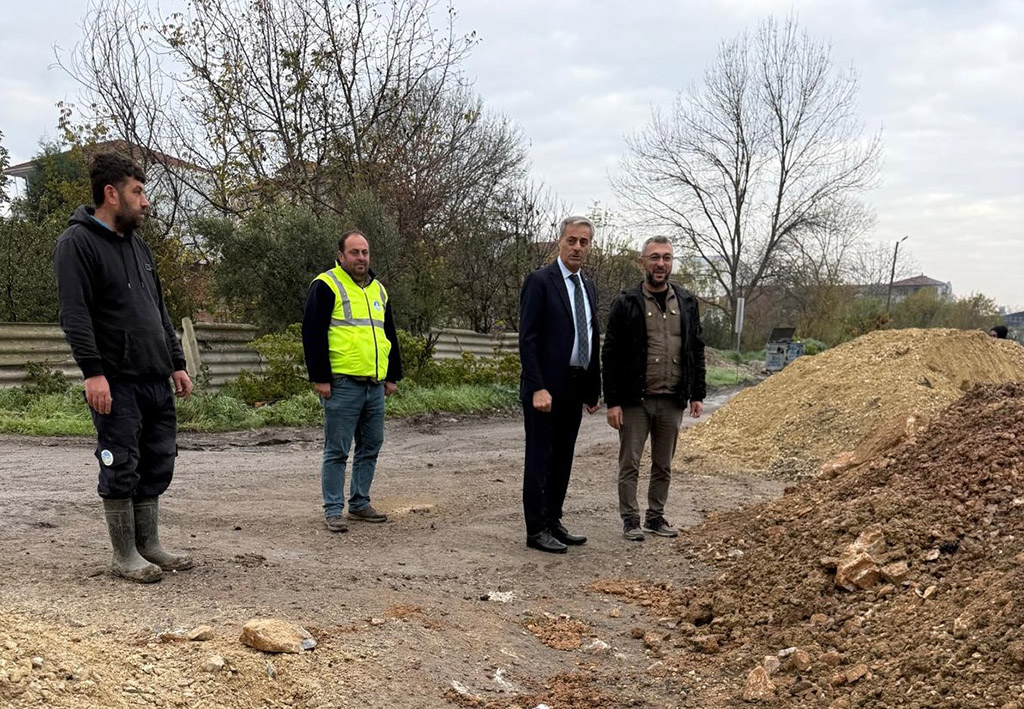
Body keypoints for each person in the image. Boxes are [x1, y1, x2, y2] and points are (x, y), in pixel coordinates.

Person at [53, 152, 194, 583]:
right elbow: (74, 315)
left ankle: (149, 544)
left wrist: (177, 363)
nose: (146, 200)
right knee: (121, 463)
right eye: (138, 191)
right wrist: (93, 372)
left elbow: (159, 310)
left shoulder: (139, 246)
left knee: (157, 459)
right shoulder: (76, 244)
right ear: (111, 194)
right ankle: (123, 553)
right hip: (115, 380)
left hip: (154, 377)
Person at [602, 235, 706, 542]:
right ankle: (630, 519)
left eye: (666, 258)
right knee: (630, 462)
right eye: (654, 258)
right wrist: (613, 401)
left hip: (672, 399)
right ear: (642, 262)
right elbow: (610, 354)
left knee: (664, 464)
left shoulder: (686, 302)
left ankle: (655, 517)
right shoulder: (626, 302)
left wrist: (697, 393)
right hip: (636, 400)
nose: (660, 264)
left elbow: (696, 348)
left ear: (672, 263)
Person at [302, 230, 402, 533]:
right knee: (337, 450)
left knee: (371, 445)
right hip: (342, 383)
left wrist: (392, 374)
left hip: (374, 384)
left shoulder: (378, 291)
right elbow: (312, 334)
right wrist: (320, 378)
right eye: (355, 252)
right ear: (341, 255)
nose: (362, 258)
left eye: (365, 252)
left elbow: (389, 334)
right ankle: (333, 509)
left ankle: (359, 503)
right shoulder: (326, 285)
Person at [518, 216, 601, 553]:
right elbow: (528, 338)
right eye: (572, 240)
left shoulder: (588, 286)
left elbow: (591, 337)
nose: (577, 247)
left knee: (563, 458)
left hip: (575, 385)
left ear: (590, 246)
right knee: (540, 457)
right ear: (560, 242)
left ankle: (553, 520)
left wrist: (593, 388)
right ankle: (535, 529)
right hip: (545, 389)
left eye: (584, 242)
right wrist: (537, 386)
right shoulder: (540, 281)